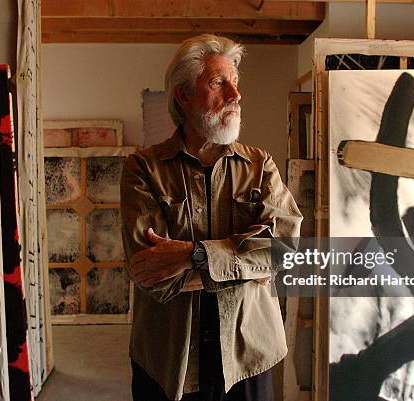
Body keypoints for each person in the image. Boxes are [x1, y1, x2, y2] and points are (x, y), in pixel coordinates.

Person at [120, 34, 303, 401]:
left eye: (235, 82)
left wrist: (195, 256)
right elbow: (152, 276)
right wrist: (246, 268)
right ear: (183, 96)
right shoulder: (142, 169)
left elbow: (283, 248)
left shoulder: (259, 165)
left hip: (248, 354)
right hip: (168, 358)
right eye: (219, 82)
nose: (235, 96)